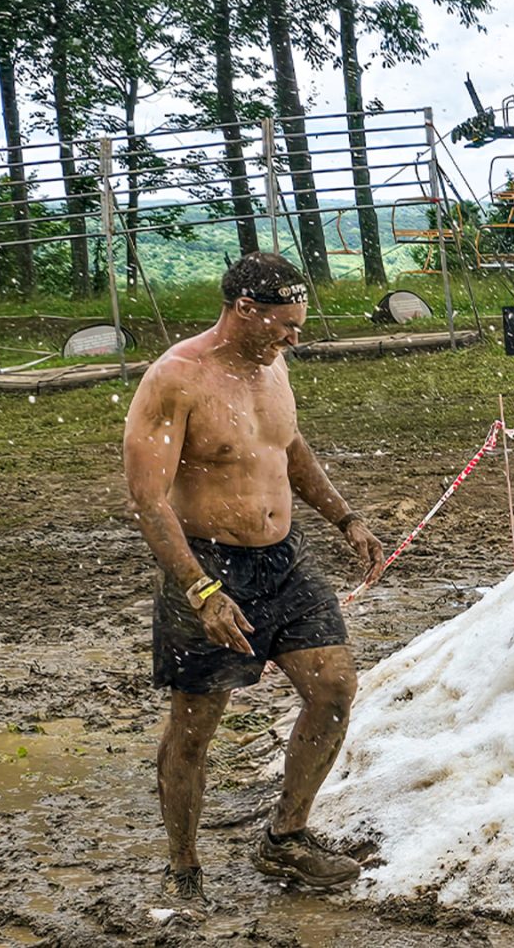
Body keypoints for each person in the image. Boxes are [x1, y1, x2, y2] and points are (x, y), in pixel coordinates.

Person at [121, 252, 389, 903]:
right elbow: (149, 500)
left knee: (333, 688)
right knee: (193, 729)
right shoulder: (176, 379)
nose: (294, 337)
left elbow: (288, 445)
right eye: (284, 324)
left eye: (298, 324)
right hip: (210, 566)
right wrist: (200, 588)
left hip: (284, 558)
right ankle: (183, 867)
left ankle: (285, 838)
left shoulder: (275, 363)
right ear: (245, 310)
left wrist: (345, 516)